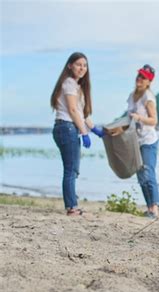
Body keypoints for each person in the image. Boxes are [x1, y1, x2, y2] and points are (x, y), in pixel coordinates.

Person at [51, 52, 104, 216]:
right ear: (70, 65)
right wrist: (84, 132)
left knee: (73, 169)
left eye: (85, 65)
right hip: (66, 128)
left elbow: (82, 114)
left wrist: (95, 130)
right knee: (70, 170)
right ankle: (71, 207)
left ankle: (72, 203)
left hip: (67, 128)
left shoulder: (77, 86)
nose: (82, 68)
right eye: (79, 64)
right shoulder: (69, 83)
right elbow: (73, 110)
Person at [126, 64, 159, 219]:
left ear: (149, 82)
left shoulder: (148, 97)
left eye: (143, 77)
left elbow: (154, 120)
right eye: (138, 76)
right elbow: (128, 119)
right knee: (140, 176)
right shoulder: (132, 95)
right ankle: (148, 207)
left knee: (148, 172)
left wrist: (139, 118)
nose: (139, 79)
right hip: (135, 141)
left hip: (148, 140)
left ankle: (155, 208)